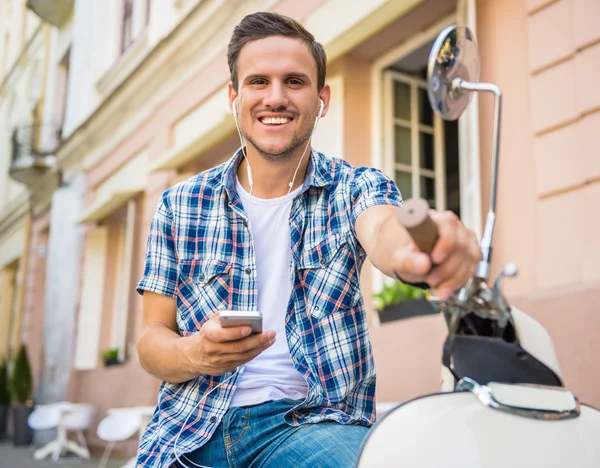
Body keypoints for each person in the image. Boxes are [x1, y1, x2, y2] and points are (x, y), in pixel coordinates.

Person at [135, 11, 480, 468]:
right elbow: (151, 339)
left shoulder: (354, 187)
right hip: (190, 429)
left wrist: (421, 249)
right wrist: (194, 353)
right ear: (234, 97)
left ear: (322, 98)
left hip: (312, 427)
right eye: (258, 81)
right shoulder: (179, 205)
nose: (275, 98)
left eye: (294, 81)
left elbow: (383, 229)